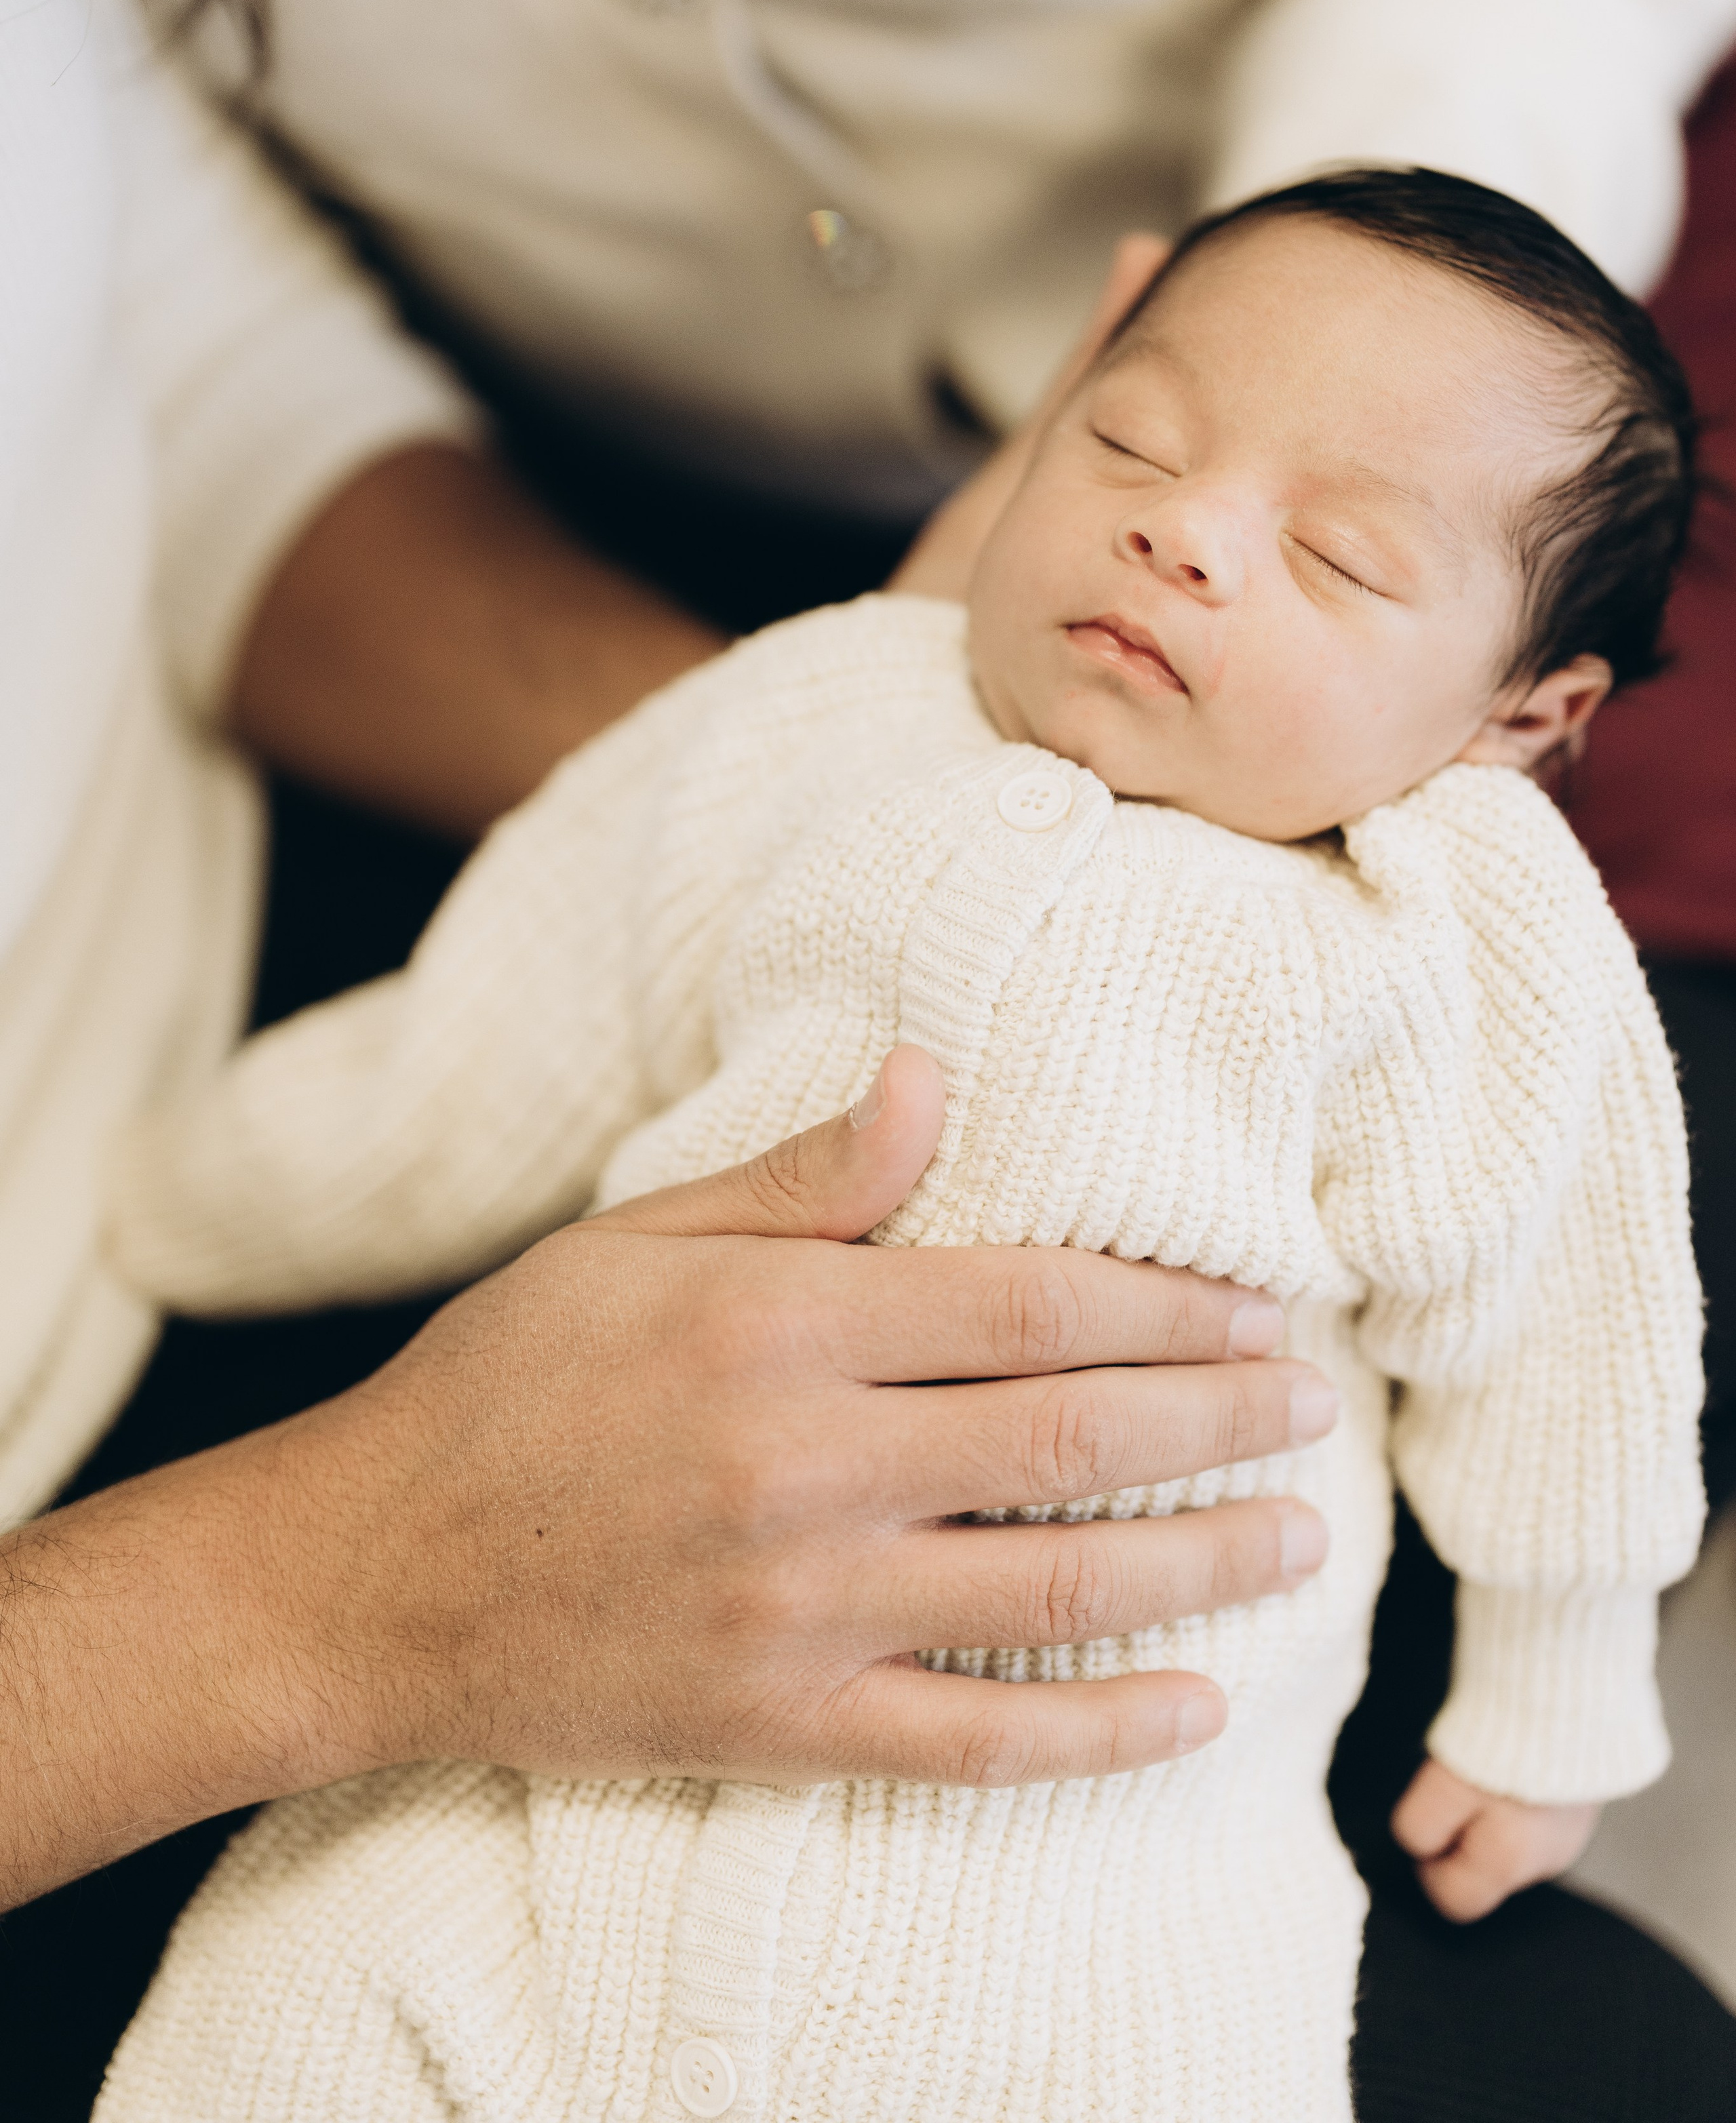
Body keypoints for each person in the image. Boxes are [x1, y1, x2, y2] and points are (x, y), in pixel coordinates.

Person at [92, 171, 1708, 2121]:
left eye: (1339, 557)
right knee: (291, 2003)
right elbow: (521, 1017)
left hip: (1102, 1866)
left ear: (1524, 717)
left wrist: (1553, 1688)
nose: (1179, 528)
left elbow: (1578, 1346)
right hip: (549, 1742)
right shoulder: (831, 710)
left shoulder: (1466, 940)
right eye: (1129, 436)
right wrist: (177, 1196)